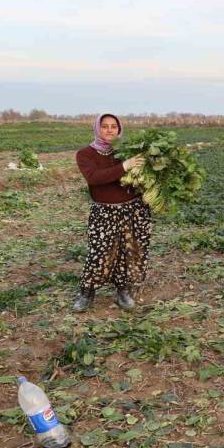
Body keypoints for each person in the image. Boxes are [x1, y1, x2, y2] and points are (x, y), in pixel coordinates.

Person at [73, 114, 150, 311]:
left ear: (119, 129)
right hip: (104, 212)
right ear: (97, 129)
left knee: (127, 252)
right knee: (99, 252)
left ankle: (123, 292)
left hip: (131, 210)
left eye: (113, 126)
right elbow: (94, 178)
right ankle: (87, 292)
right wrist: (125, 166)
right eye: (105, 126)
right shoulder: (85, 154)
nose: (109, 130)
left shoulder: (126, 151)